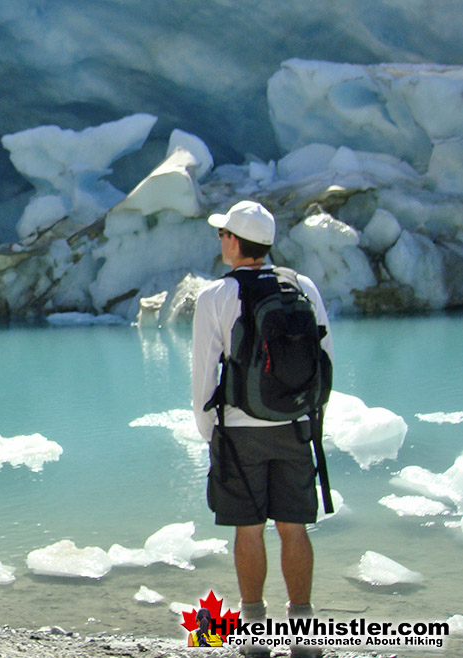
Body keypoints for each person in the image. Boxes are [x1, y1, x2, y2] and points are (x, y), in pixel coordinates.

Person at [191, 200, 332, 658]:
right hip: (295, 426)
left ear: (233, 241)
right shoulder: (301, 285)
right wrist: (312, 418)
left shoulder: (215, 296)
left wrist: (209, 430)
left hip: (239, 431)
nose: (221, 241)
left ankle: (254, 632)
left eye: (222, 234)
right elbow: (324, 357)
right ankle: (304, 633)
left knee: (249, 530)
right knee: (295, 528)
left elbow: (202, 375)